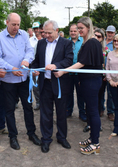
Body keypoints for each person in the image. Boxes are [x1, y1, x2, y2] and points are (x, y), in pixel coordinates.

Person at [0, 13, 41, 150]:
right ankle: (13, 136)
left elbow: (30, 50)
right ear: (7, 22)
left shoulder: (24, 34)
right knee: (10, 109)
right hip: (8, 80)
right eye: (13, 24)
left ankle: (31, 133)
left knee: (28, 107)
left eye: (18, 24)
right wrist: (10, 68)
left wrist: (27, 59)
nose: (16, 27)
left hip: (24, 79)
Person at [55, 17, 103, 155]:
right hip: (88, 80)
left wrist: (64, 70)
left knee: (93, 111)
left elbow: (81, 63)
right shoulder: (88, 42)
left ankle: (95, 143)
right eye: (78, 28)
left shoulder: (91, 42)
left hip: (92, 81)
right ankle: (92, 138)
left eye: (81, 28)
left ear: (89, 27)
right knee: (90, 110)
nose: (79, 30)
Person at [31, 20, 73, 153]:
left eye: (49, 33)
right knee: (46, 114)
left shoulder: (66, 43)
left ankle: (62, 137)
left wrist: (56, 65)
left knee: (61, 113)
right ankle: (46, 139)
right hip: (45, 84)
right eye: (45, 33)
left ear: (57, 30)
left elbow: (69, 60)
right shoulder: (41, 43)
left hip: (60, 84)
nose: (46, 35)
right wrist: (34, 68)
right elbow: (37, 60)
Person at [66, 24, 86, 121]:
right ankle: (68, 111)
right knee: (69, 93)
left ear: (78, 31)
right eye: (71, 31)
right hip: (68, 73)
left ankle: (82, 113)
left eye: (75, 31)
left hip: (80, 73)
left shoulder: (83, 42)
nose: (73, 33)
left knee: (81, 94)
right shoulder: (66, 42)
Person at [103, 25, 115, 121]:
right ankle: (101, 109)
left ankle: (110, 112)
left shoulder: (115, 43)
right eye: (108, 32)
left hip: (111, 72)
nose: (110, 34)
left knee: (111, 94)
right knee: (100, 92)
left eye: (112, 33)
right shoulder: (102, 42)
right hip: (101, 71)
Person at [29, 21, 41, 110]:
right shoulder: (30, 40)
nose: (36, 30)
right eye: (35, 29)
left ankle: (45, 102)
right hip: (34, 65)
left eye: (38, 28)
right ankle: (38, 102)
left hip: (44, 66)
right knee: (35, 85)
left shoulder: (45, 38)